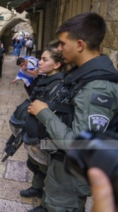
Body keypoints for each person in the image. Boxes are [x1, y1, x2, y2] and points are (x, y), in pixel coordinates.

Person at [27, 12, 118, 212]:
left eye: (62, 43)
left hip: (72, 177)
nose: (59, 49)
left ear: (79, 45)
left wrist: (44, 112)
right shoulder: (82, 73)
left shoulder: (97, 87)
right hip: (62, 171)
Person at [19, 47, 65, 211]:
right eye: (41, 58)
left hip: (46, 137)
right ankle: (36, 188)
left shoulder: (59, 85)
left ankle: (45, 204)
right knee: (35, 164)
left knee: (47, 170)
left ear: (57, 64)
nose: (40, 62)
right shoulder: (45, 79)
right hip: (35, 134)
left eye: (45, 60)